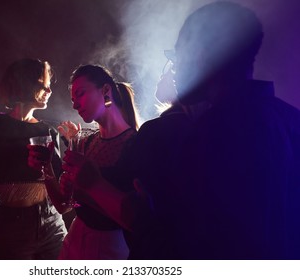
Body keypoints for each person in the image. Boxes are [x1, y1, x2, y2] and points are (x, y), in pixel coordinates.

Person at [134, 1, 300, 259]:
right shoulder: (291, 119)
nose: (175, 70)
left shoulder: (211, 136)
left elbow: (193, 250)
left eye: (178, 55)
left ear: (200, 53)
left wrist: (145, 217)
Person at [0, 58, 67, 259]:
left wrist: (72, 147)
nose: (49, 91)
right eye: (44, 85)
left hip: (52, 222)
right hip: (13, 225)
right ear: (24, 83)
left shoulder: (48, 131)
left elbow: (61, 184)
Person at [28, 64, 139, 259]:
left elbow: (136, 219)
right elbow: (64, 204)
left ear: (105, 90)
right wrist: (46, 169)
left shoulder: (135, 144)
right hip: (75, 239)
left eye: (80, 94)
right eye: (72, 99)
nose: (75, 105)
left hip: (111, 249)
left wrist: (89, 188)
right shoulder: (86, 143)